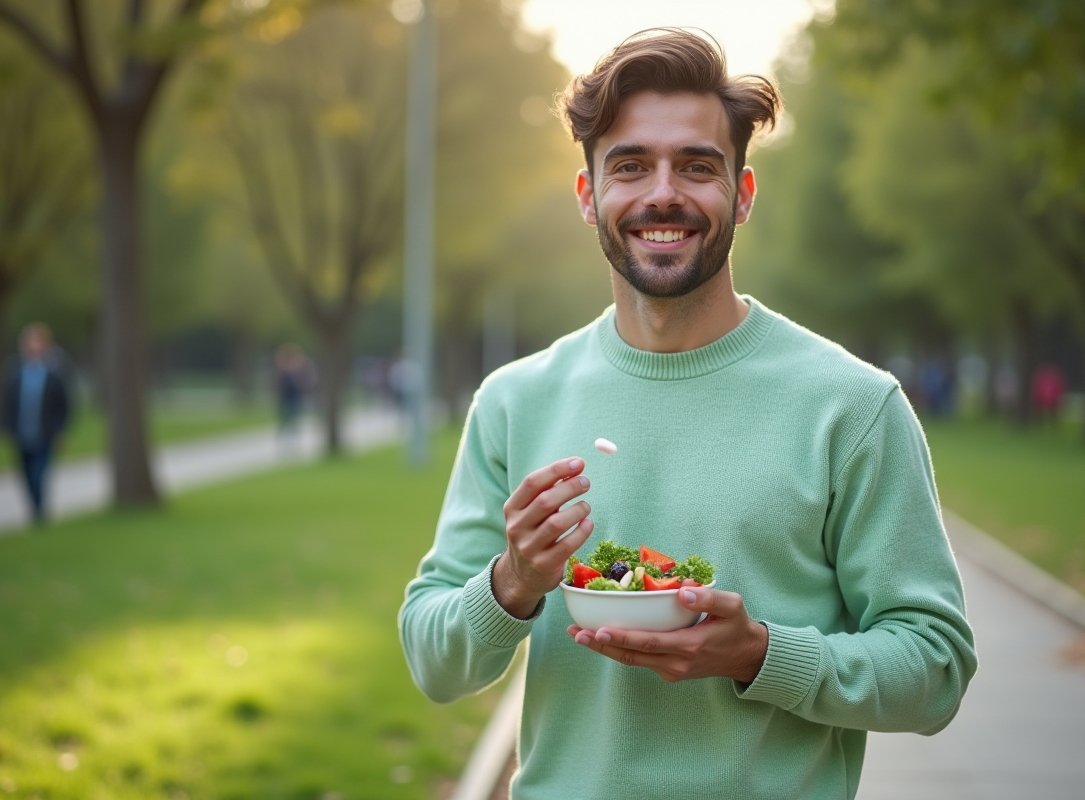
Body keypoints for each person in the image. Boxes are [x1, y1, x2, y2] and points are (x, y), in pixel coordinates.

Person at [399, 30, 977, 799]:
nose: (662, 193)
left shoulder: (852, 406)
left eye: (697, 166)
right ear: (588, 195)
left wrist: (761, 655)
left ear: (741, 196)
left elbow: (934, 669)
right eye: (630, 165)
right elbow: (435, 664)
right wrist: (513, 581)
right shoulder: (515, 400)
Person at [1, 322, 72, 525]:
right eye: (28, 341)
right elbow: (8, 403)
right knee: (25, 473)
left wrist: (60, 431)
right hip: (21, 433)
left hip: (45, 434)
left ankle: (39, 512)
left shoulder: (54, 373)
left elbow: (64, 405)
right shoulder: (15, 371)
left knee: (38, 473)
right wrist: (7, 427)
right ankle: (35, 507)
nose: (31, 345)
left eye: (36, 341)